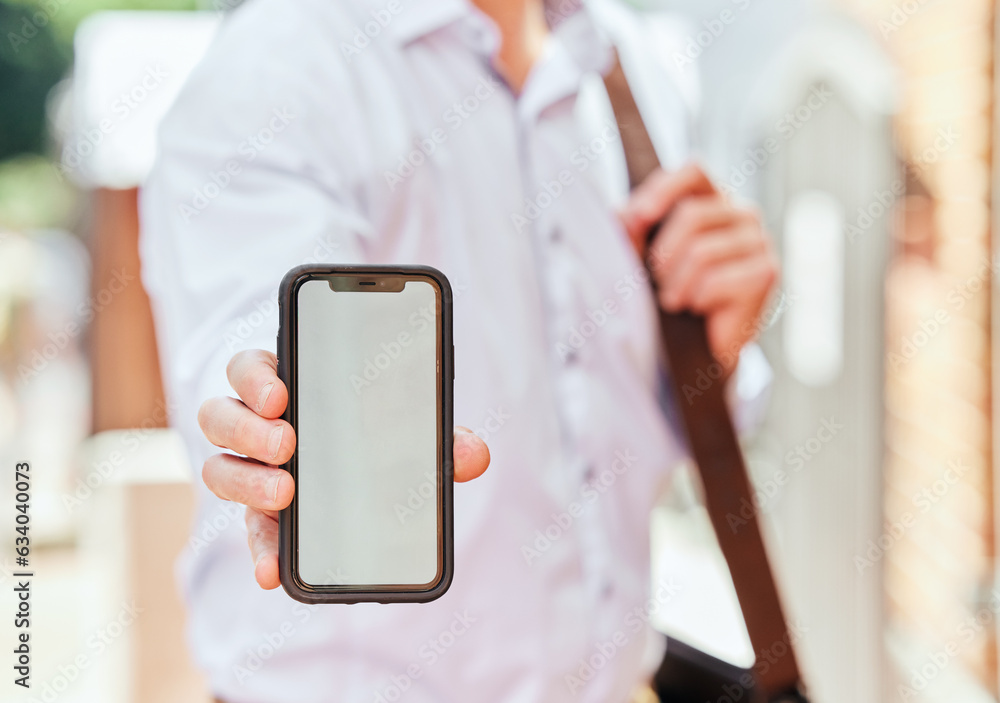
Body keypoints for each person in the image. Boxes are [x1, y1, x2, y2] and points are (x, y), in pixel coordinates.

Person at [140, 0, 778, 701]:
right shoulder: (282, 60)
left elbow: (624, 432)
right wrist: (272, 422)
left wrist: (706, 357)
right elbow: (252, 324)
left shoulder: (623, 61)